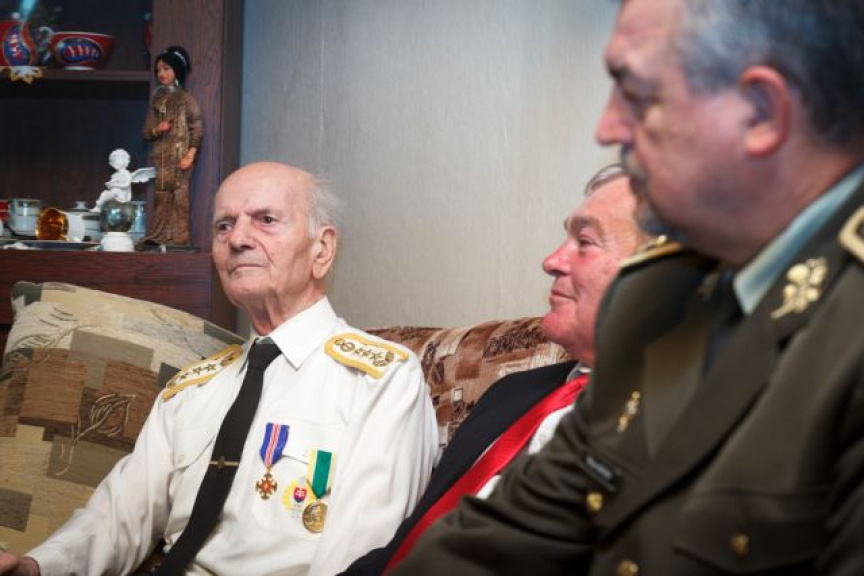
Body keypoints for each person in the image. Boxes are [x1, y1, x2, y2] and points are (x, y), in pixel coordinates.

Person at [392, 0, 864, 574]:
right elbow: (512, 532)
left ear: (761, 112)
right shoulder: (657, 296)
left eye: (637, 95)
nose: (607, 128)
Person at [0, 162, 438, 576]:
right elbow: (119, 517)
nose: (238, 238)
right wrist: (36, 567)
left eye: (266, 220)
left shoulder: (381, 380)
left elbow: (359, 555)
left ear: (321, 250)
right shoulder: (191, 388)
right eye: (224, 225)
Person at [342, 165, 649, 575]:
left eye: (585, 242)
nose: (551, 261)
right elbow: (407, 544)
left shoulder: (684, 431)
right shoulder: (513, 392)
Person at [142, 45, 202, 246]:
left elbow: (197, 128)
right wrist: (157, 129)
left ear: (177, 70)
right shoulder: (157, 101)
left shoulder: (186, 99)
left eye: (166, 69)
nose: (161, 74)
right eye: (158, 70)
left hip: (180, 157)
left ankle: (180, 238)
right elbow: (146, 131)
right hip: (162, 158)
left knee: (179, 197)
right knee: (161, 197)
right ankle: (159, 236)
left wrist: (190, 154)